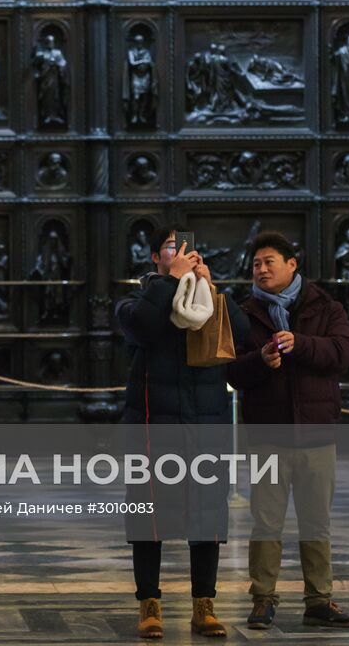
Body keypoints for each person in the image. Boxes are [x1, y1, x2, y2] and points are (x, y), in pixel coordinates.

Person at [115, 227, 248, 640]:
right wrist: (171, 282)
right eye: (173, 249)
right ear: (157, 257)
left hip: (205, 422)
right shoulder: (138, 300)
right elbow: (143, 329)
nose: (183, 254)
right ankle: (149, 604)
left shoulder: (207, 300)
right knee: (148, 515)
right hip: (154, 426)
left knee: (207, 513)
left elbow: (240, 337)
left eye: (187, 248)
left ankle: (203, 605)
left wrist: (212, 287)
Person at [229, 231, 349, 630]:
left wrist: (299, 343)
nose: (262, 270)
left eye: (269, 262)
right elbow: (230, 369)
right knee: (266, 522)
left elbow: (343, 354)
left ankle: (319, 598)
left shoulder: (325, 307)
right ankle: (263, 598)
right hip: (269, 434)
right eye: (256, 264)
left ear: (291, 265)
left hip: (317, 434)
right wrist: (259, 359)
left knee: (316, 522)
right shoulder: (244, 312)